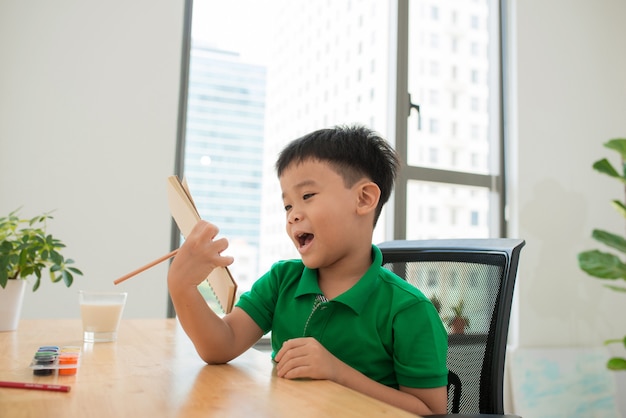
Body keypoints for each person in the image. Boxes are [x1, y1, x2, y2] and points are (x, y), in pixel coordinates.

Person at [167, 125, 449, 415]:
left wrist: (338, 373)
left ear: (364, 199)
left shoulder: (409, 310)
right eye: (287, 205)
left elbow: (429, 411)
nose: (293, 215)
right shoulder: (281, 281)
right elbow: (220, 346)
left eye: (307, 196)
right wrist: (181, 285)